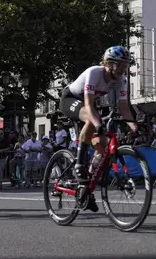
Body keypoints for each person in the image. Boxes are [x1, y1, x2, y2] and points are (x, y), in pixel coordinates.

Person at [59, 46, 138, 212]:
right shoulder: (94, 73)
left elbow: (123, 106)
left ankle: (86, 187)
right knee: (91, 119)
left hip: (89, 104)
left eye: (125, 64)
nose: (124, 68)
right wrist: (98, 124)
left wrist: (134, 126)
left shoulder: (121, 79)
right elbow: (88, 105)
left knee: (102, 146)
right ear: (108, 64)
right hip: (72, 99)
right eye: (120, 64)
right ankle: (79, 164)